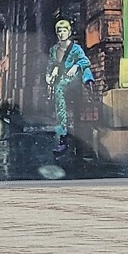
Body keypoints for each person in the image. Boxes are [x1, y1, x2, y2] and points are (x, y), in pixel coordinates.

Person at [44, 17, 95, 154]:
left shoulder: (76, 48)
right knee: (60, 110)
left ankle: (79, 143)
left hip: (73, 82)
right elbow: (50, 64)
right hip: (60, 82)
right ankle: (63, 140)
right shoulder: (54, 49)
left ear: (69, 32)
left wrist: (76, 65)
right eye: (59, 31)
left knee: (78, 111)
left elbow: (86, 61)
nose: (62, 33)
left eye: (64, 30)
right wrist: (49, 75)